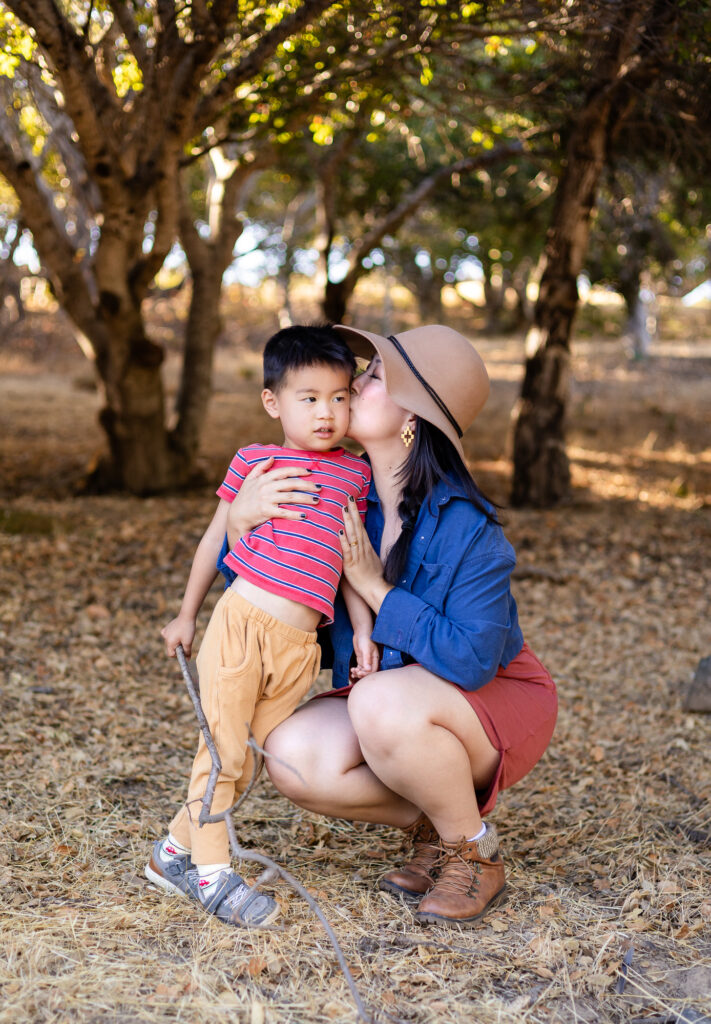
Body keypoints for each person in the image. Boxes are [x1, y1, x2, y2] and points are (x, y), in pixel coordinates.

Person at [225, 323, 558, 928]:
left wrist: (375, 587)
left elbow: (471, 661)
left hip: (494, 700)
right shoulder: (343, 496)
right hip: (398, 700)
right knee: (292, 757)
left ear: (414, 416)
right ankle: (435, 816)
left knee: (378, 701)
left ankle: (472, 852)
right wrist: (239, 526)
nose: (352, 382)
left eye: (373, 376)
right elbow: (274, 599)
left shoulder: (469, 527)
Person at [145, 325, 375, 927]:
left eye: (340, 397)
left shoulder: (356, 475)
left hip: (299, 648)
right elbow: (213, 539)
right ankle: (214, 876)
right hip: (242, 624)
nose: (327, 413)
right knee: (222, 752)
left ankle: (173, 852)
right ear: (273, 402)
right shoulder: (256, 461)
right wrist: (186, 613)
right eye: (309, 398)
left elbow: (351, 566)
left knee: (247, 759)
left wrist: (364, 629)